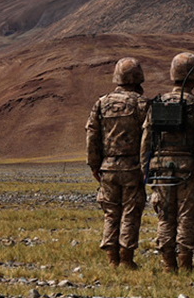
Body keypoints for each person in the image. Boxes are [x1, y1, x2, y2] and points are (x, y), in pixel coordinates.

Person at [141, 51, 194, 273]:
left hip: (159, 170)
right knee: (187, 215)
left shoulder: (157, 104)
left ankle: (168, 266)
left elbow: (146, 141)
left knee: (165, 216)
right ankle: (185, 266)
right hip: (190, 170)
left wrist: (144, 169)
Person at [85, 57, 148, 269]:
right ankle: (127, 260)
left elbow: (92, 135)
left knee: (111, 213)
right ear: (138, 78)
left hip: (107, 168)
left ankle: (112, 259)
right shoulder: (142, 104)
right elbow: (149, 138)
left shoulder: (101, 103)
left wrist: (94, 165)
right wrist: (146, 166)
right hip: (133, 168)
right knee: (130, 212)